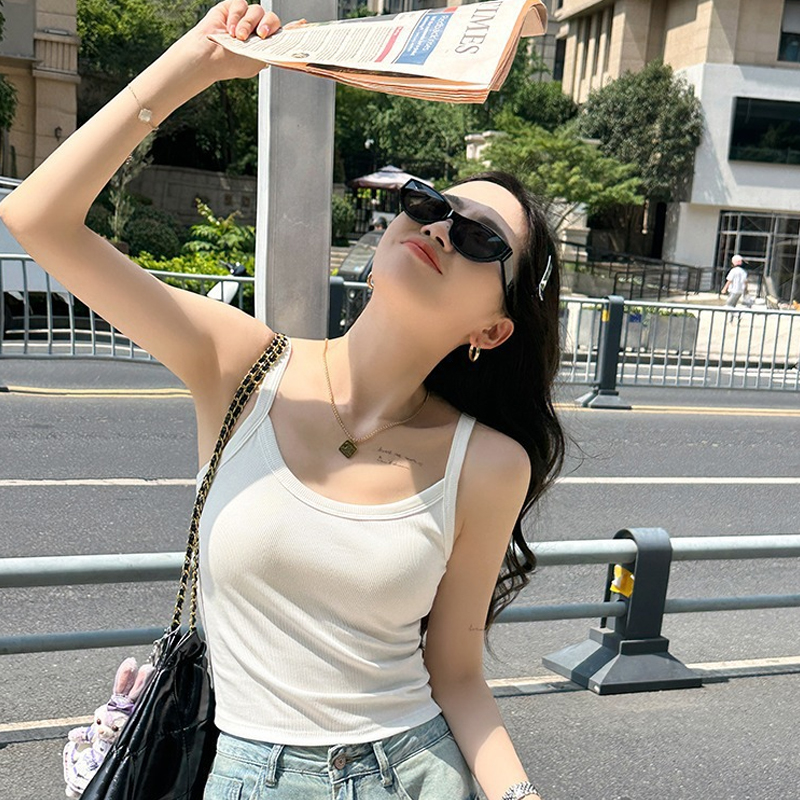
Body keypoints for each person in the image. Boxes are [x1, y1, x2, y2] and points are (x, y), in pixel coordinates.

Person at [0, 3, 564, 799]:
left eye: (480, 239)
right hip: (239, 774)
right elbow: (37, 218)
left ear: (492, 330)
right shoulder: (241, 367)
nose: (441, 229)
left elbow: (458, 676)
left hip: (412, 775)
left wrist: (518, 795)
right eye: (429, 203)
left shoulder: (489, 462)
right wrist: (196, 64)